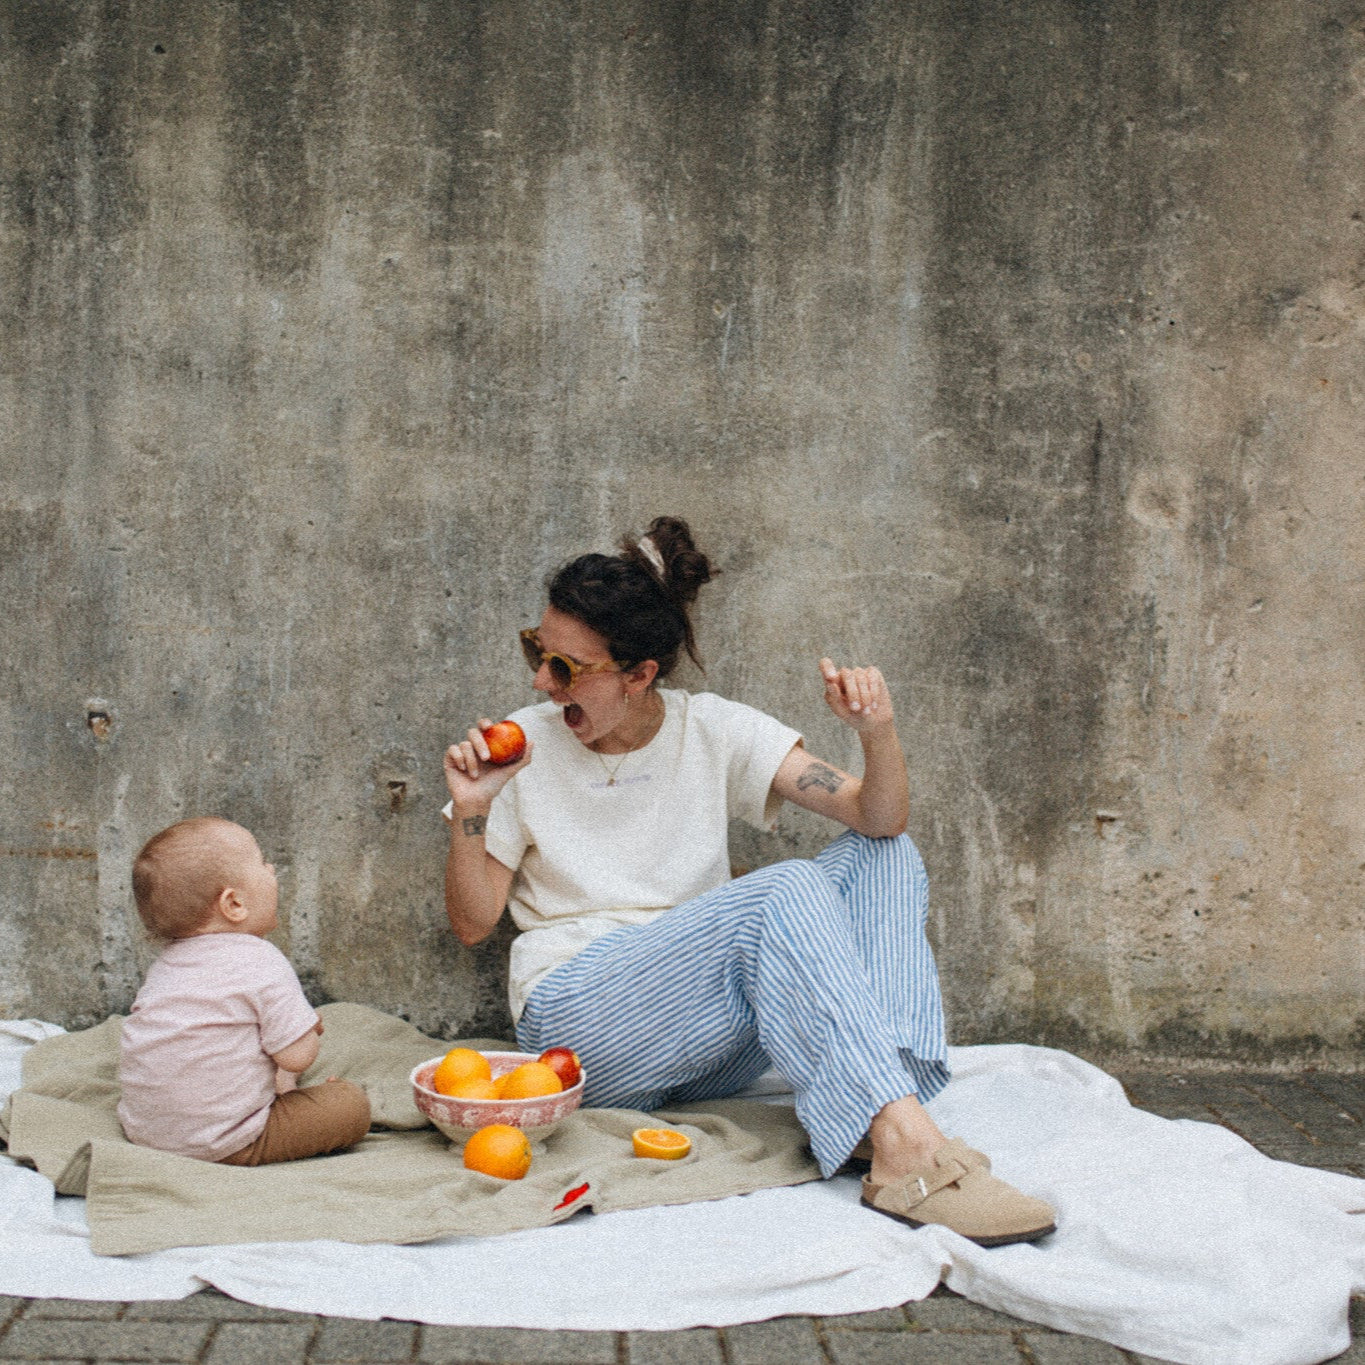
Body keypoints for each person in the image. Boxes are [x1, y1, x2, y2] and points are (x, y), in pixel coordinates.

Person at [442, 517, 1054, 1245]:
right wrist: (473, 808)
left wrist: (876, 731)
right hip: (578, 1029)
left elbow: (878, 815)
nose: (541, 682)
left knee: (884, 854)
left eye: (566, 668)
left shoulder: (712, 729)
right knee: (782, 889)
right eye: (536, 652)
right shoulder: (526, 745)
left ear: (639, 675)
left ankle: (886, 1119)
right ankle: (907, 1150)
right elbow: (473, 923)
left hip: (706, 1040)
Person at [118, 818, 371, 1166]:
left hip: (146, 1131)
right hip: (225, 1141)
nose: (272, 869)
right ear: (234, 903)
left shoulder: (167, 965)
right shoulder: (261, 960)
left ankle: (275, 1090)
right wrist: (307, 1030)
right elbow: (298, 1057)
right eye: (262, 862)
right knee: (351, 1104)